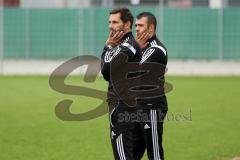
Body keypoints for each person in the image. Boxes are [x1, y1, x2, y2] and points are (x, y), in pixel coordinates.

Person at [100, 8, 142, 160]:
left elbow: (105, 69)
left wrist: (108, 46)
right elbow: (107, 73)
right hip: (123, 106)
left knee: (123, 156)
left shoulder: (128, 46)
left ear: (127, 24)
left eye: (115, 22)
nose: (111, 26)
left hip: (122, 107)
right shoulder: (122, 44)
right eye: (110, 22)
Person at [133, 12, 168, 160]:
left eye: (140, 25)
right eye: (136, 26)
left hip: (151, 106)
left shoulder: (156, 50)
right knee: (132, 153)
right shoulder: (140, 48)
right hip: (137, 106)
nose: (137, 29)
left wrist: (132, 49)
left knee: (154, 153)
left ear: (151, 28)